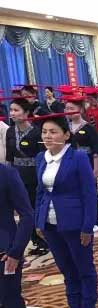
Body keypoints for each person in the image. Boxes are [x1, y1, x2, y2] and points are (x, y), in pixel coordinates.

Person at [35, 115, 98, 308]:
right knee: (66, 267)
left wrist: (87, 226)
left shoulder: (77, 157)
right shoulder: (41, 158)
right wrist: (39, 220)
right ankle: (74, 307)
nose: (48, 136)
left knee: (83, 267)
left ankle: (87, 307)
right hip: (50, 223)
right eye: (45, 132)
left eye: (53, 132)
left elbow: (89, 194)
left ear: (66, 135)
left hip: (75, 222)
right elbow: (40, 192)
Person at [0, 161, 34, 308]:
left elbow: (27, 215)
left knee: (9, 298)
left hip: (6, 251)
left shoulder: (7, 174)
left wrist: (16, 251)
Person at [6, 97, 48, 255]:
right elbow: (9, 156)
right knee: (23, 210)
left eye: (16, 110)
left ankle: (43, 240)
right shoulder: (10, 131)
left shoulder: (37, 132)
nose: (12, 113)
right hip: (17, 174)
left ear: (26, 113)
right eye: (11, 110)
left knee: (35, 207)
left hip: (34, 175)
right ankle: (34, 240)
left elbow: (43, 156)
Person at [64, 96, 98, 231]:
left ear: (80, 109)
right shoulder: (65, 128)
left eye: (72, 108)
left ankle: (95, 220)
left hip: (87, 163)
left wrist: (95, 170)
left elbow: (96, 151)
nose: (68, 111)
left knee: (90, 192)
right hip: (69, 163)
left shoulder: (89, 127)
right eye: (66, 108)